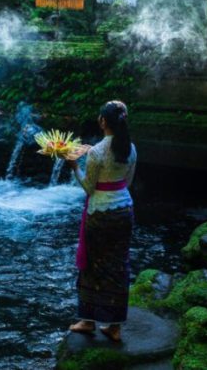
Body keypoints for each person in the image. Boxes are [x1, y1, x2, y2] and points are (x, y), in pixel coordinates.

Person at [65, 100, 137, 342]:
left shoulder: (96, 152)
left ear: (103, 122)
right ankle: (115, 326)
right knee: (119, 265)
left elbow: (88, 187)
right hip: (125, 209)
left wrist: (74, 166)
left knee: (93, 264)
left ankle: (87, 320)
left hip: (101, 213)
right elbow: (127, 182)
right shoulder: (131, 149)